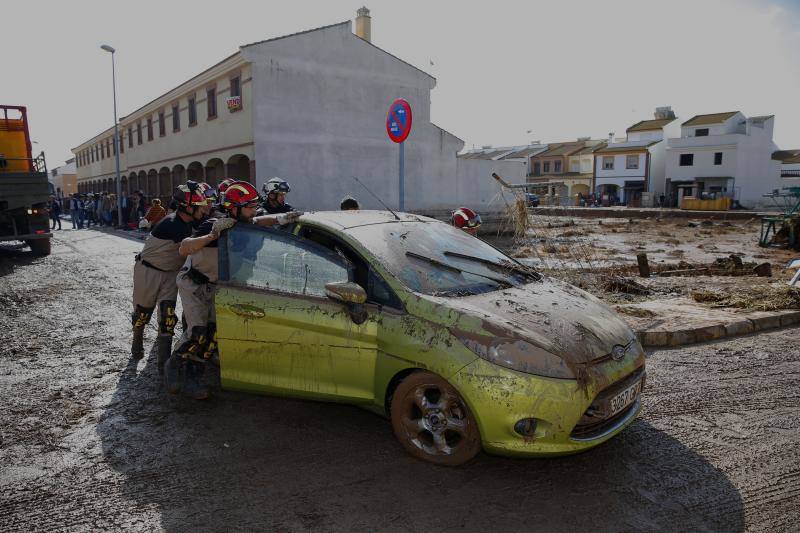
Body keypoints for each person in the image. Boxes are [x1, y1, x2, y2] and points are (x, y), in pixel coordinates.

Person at [165, 181, 302, 399]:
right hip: (195, 284)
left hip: (218, 287)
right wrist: (212, 235)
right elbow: (184, 248)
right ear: (234, 208)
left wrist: (280, 218)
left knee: (212, 335)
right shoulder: (214, 223)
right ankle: (174, 363)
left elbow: (260, 220)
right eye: (249, 206)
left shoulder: (244, 222)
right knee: (197, 332)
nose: (254, 210)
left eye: (255, 205)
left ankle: (194, 377)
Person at [130, 182, 211, 370]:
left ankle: (163, 364)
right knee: (143, 313)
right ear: (187, 207)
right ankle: (137, 336)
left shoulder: (187, 222)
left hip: (169, 273)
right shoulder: (173, 224)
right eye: (199, 207)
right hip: (148, 271)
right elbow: (193, 243)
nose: (204, 210)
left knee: (167, 317)